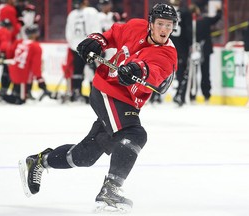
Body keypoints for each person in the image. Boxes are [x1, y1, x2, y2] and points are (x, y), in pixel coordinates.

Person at [19, 3, 178, 212]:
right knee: (134, 133)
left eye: (169, 25)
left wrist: (136, 68)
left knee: (85, 156)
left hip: (125, 101)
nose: (164, 30)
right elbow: (113, 34)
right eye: (160, 24)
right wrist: (97, 41)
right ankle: (110, 191)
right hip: (107, 90)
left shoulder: (168, 53)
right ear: (150, 23)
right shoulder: (135, 27)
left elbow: (155, 71)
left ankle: (39, 161)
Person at [3, 24, 50, 104]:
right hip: (23, 76)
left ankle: (21, 92)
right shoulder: (36, 46)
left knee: (19, 91)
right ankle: (22, 94)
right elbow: (36, 66)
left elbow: (10, 54)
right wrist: (40, 79)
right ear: (36, 34)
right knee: (21, 100)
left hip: (13, 72)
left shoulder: (19, 42)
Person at [65, 0, 101, 103]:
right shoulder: (92, 11)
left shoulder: (72, 14)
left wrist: (74, 46)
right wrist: (96, 45)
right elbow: (96, 29)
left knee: (77, 71)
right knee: (93, 71)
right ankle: (95, 95)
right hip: (90, 47)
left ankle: (77, 93)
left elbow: (68, 33)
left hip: (76, 47)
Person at [191, 4, 222, 102]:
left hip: (194, 50)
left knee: (193, 73)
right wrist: (219, 10)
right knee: (205, 73)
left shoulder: (191, 23)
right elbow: (217, 18)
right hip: (204, 50)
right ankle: (206, 94)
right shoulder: (205, 20)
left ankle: (192, 94)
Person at [0, 0, 22, 98]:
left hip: (1, 41)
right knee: (9, 67)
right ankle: (6, 89)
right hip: (8, 43)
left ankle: (2, 89)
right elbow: (14, 28)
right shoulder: (9, 9)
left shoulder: (1, 7)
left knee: (5, 68)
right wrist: (19, 24)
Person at [169, 0, 192, 106]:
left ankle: (156, 96)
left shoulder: (165, 12)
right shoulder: (185, 13)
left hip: (168, 45)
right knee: (182, 72)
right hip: (182, 48)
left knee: (163, 71)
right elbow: (188, 30)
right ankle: (180, 96)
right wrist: (191, 44)